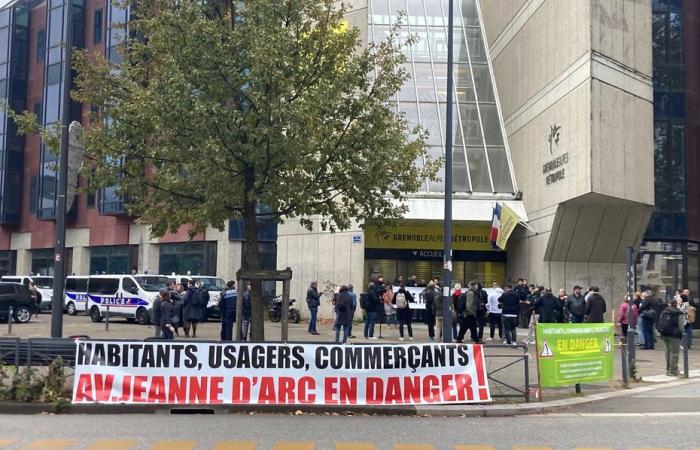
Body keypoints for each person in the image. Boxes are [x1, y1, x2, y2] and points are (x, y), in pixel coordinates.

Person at [658, 299, 684, 376]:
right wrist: (682, 334)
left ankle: (668, 368)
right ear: (677, 304)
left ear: (669, 304)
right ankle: (672, 371)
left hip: (665, 334)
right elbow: (681, 326)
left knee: (668, 351)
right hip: (674, 335)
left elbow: (660, 321)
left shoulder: (664, 311)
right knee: (674, 353)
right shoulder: (679, 313)